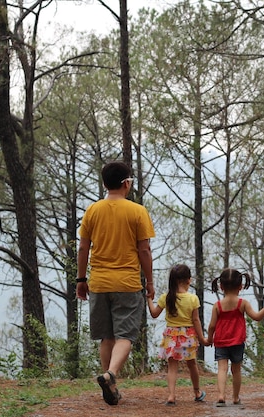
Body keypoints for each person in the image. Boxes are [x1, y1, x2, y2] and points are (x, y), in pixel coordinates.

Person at [76, 161, 155, 406]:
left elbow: (83, 247)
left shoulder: (92, 210)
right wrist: (150, 281)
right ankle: (111, 375)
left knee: (107, 337)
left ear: (104, 183)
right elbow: (144, 250)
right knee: (125, 336)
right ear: (127, 183)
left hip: (99, 282)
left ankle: (110, 385)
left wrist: (81, 279)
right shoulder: (137, 211)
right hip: (127, 282)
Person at [206, 268, 264, 407]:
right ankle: (236, 397)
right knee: (236, 370)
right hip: (237, 341)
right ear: (241, 286)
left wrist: (209, 339)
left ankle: (221, 395)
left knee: (222, 369)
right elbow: (257, 317)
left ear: (221, 286)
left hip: (221, 341)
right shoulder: (242, 303)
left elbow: (212, 326)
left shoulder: (217, 306)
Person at [147, 264, 208, 406]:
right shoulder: (193, 299)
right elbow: (196, 320)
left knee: (172, 367)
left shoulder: (166, 297)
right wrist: (201, 337)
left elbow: (154, 314)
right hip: (188, 336)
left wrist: (149, 299)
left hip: (171, 335)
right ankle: (197, 392)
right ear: (189, 280)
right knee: (192, 365)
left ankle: (171, 395)